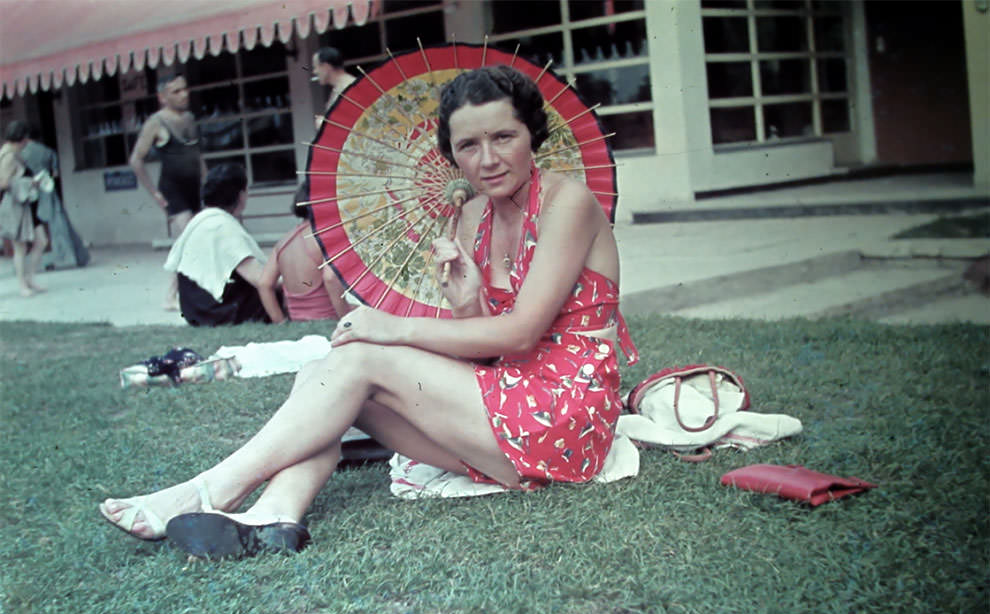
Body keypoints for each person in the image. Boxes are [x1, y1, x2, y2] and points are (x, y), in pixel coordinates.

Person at [99, 65, 638, 559]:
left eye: (504, 136)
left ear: (532, 135)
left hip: (565, 416)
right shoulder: (473, 217)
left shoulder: (567, 202)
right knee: (323, 374)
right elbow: (491, 349)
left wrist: (393, 325)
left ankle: (208, 490)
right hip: (506, 412)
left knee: (360, 362)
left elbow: (521, 335)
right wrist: (466, 302)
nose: (488, 159)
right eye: (468, 145)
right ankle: (276, 514)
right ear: (451, 154)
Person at [163, 163, 274, 327]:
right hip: (218, 312)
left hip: (196, 310)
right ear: (241, 195)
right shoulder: (222, 225)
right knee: (278, 292)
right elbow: (259, 278)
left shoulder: (200, 221)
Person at [128, 73, 204, 309]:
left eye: (185, 89)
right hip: (173, 189)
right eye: (176, 92)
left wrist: (208, 181)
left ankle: (187, 292)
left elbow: (196, 153)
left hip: (194, 187)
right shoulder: (156, 122)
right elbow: (136, 160)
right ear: (162, 97)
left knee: (192, 239)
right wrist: (154, 193)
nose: (184, 95)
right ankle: (170, 295)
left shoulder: (189, 118)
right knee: (189, 238)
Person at [257, 180, 354, 322]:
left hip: (296, 319)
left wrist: (280, 321)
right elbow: (330, 277)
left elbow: (264, 284)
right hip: (328, 316)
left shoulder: (283, 242)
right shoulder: (327, 235)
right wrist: (345, 318)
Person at [20, 127, 90, 270]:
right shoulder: (48, 151)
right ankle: (68, 256)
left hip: (30, 189)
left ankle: (35, 262)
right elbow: (55, 173)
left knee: (31, 225)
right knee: (58, 223)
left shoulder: (22, 153)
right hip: (47, 189)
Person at [0, 120, 47, 296]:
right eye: (25, 139)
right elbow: (3, 183)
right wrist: (29, 183)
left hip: (27, 205)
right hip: (17, 207)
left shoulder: (14, 153)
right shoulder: (8, 156)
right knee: (20, 247)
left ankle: (30, 278)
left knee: (41, 241)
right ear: (19, 139)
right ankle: (22, 285)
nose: (26, 143)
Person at [311, 46, 356, 131]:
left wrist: (325, 125)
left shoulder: (348, 87)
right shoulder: (339, 87)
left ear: (326, 67)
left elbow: (352, 124)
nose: (315, 72)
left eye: (316, 67)